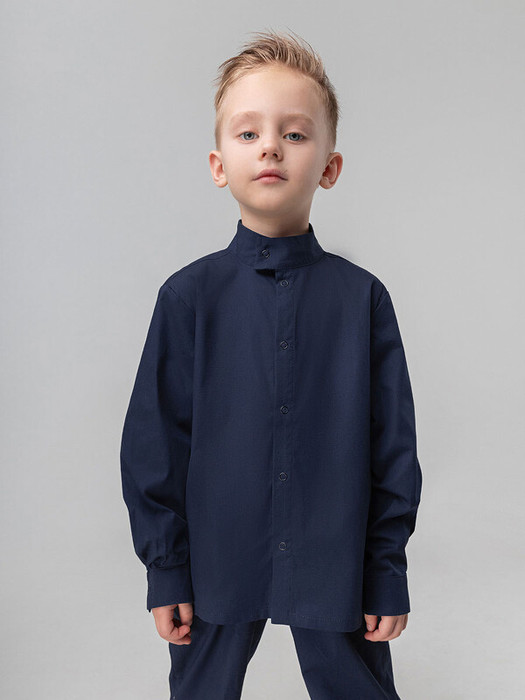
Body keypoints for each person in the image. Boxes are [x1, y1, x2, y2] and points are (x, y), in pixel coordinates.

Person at [120, 29, 423, 700]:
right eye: (249, 132)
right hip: (216, 560)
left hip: (336, 558)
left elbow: (392, 450)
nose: (270, 148)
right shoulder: (187, 298)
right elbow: (153, 445)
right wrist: (166, 570)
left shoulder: (362, 301)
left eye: (294, 134)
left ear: (329, 167)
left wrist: (385, 571)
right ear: (218, 164)